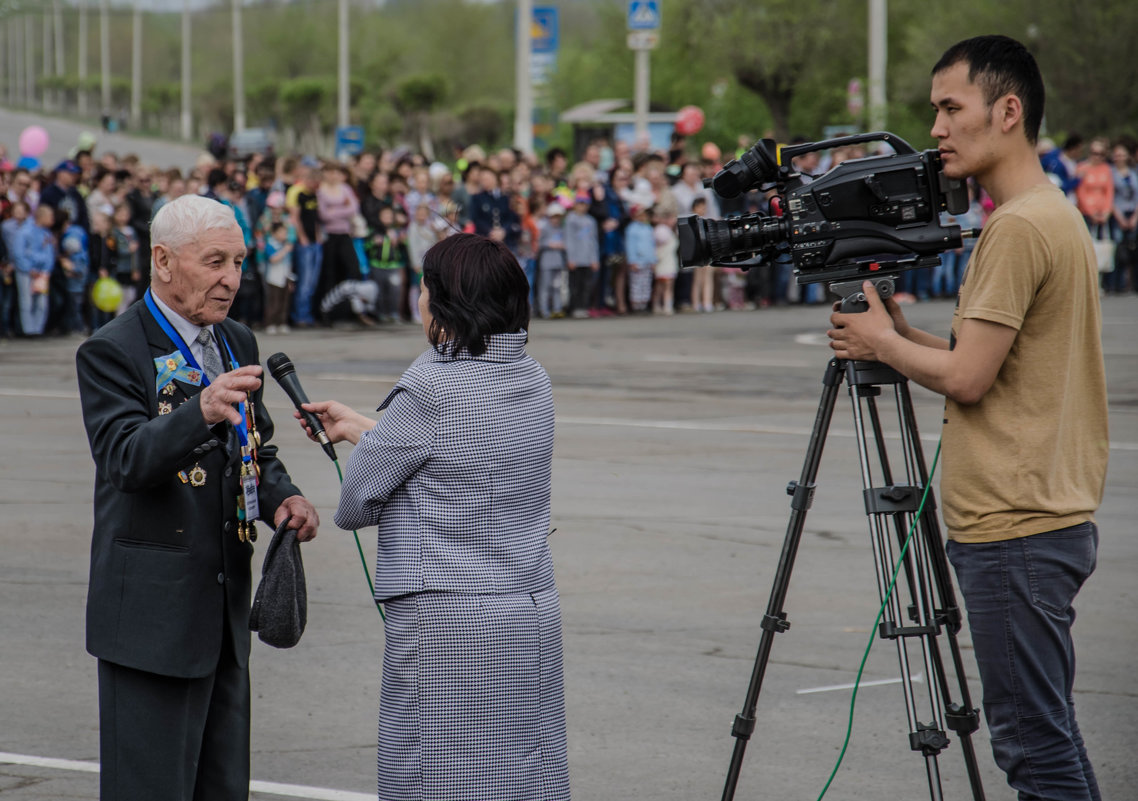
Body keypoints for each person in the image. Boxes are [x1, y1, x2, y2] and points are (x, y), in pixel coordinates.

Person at [827, 36, 1107, 801]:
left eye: (952, 108)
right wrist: (901, 336)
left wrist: (881, 339)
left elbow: (970, 378)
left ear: (1007, 110)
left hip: (1015, 521)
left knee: (1031, 748)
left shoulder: (1017, 228)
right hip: (1042, 513)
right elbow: (980, 361)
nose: (938, 128)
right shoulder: (1048, 214)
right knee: (1048, 735)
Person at [296, 233, 570, 801]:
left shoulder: (431, 384)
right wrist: (367, 429)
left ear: (446, 303)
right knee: (523, 776)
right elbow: (466, 458)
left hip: (450, 622)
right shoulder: (532, 378)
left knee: (437, 780)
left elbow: (355, 505)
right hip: (528, 608)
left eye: (426, 290)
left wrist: (372, 442)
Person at [75, 194, 319, 801]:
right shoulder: (114, 348)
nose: (231, 280)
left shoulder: (236, 339)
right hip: (152, 622)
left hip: (224, 616)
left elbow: (256, 446)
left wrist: (282, 497)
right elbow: (125, 459)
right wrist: (201, 412)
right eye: (214, 262)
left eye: (238, 262)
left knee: (221, 789)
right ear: (163, 261)